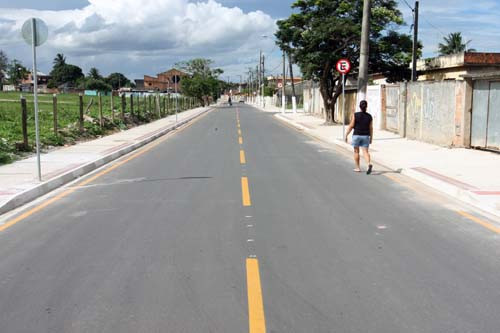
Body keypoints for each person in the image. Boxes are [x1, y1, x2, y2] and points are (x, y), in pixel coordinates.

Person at [345, 100, 373, 174]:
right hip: (366, 136)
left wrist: (346, 134)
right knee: (365, 152)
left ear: (359, 107)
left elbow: (351, 125)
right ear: (366, 107)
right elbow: (371, 128)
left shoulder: (356, 115)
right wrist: (371, 138)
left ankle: (357, 168)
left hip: (356, 135)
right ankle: (368, 164)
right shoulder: (369, 116)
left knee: (356, 151)